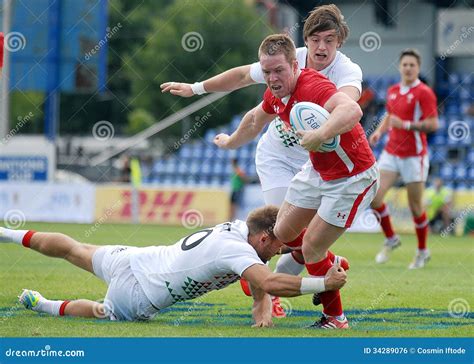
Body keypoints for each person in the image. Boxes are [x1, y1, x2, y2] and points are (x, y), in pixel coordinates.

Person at [161, 4, 362, 318]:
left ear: (340, 42)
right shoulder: (285, 61)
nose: (321, 47)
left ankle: (308, 278)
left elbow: (347, 105)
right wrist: (197, 90)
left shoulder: (347, 72)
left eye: (330, 40)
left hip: (318, 161)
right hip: (278, 158)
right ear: (305, 41)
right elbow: (245, 82)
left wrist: (320, 127)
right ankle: (291, 285)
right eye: (315, 39)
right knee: (284, 231)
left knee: (301, 240)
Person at [209, 34, 377, 329]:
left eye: (279, 71)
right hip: (318, 170)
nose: (272, 78)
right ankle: (330, 263)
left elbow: (352, 110)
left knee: (311, 246)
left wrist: (321, 134)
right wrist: (231, 142)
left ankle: (335, 318)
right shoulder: (275, 93)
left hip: (352, 175)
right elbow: (254, 119)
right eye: (267, 71)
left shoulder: (313, 85)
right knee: (283, 231)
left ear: (294, 65)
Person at [0, 205, 347, 326]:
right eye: (277, 246)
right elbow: (269, 282)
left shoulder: (239, 230)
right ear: (265, 237)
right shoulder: (237, 250)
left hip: (137, 257)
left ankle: (6, 234)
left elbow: (257, 278)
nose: (278, 252)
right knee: (100, 312)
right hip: (140, 295)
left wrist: (260, 303)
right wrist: (324, 286)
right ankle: (43, 304)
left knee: (75, 248)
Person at [369, 48, 439, 269]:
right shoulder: (393, 90)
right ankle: (391, 238)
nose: (408, 68)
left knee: (415, 206)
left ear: (418, 68)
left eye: (412, 65)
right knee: (373, 196)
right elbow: (391, 115)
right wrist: (380, 130)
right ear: (400, 67)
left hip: (414, 156)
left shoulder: (424, 92)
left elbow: (433, 124)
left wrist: (407, 125)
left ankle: (422, 251)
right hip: (391, 152)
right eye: (405, 64)